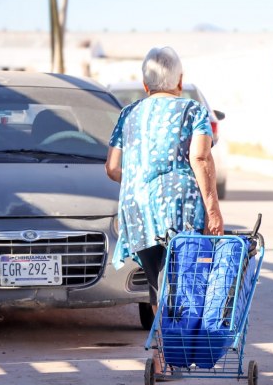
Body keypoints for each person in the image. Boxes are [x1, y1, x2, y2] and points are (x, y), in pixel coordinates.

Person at [105, 46, 224, 373]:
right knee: (184, 280)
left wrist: (142, 184)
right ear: (180, 81)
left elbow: (113, 167)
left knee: (157, 282)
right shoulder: (192, 110)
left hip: (139, 210)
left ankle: (161, 359)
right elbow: (200, 158)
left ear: (145, 85)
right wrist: (213, 211)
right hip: (180, 208)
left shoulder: (128, 114)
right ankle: (180, 351)